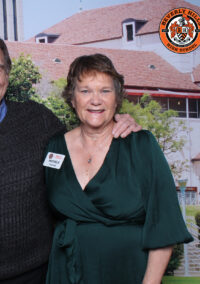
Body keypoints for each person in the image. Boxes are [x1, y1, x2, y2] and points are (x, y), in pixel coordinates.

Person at [0, 32, 141, 283]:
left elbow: (83, 153)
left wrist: (116, 123)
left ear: (8, 74)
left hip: (38, 273)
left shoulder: (39, 121)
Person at [44, 53, 193, 284]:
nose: (96, 100)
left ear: (117, 99)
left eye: (105, 91)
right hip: (67, 273)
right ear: (72, 99)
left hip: (130, 273)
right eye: (85, 91)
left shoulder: (141, 145)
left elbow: (164, 226)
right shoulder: (54, 148)